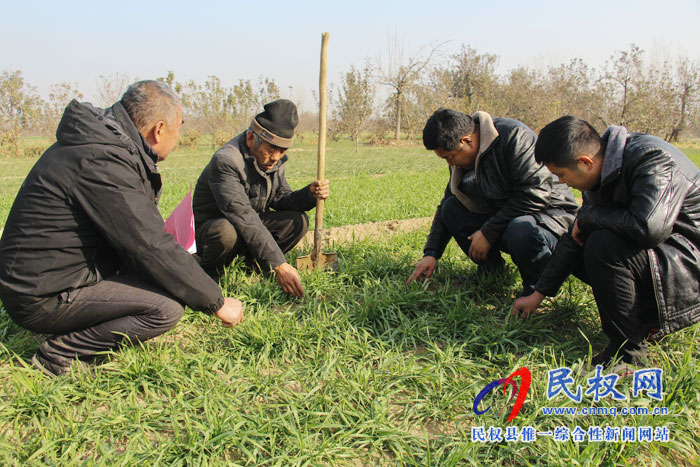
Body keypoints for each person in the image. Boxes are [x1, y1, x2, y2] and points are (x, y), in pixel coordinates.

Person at [0, 80, 244, 377]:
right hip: (42, 296)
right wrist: (216, 301)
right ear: (159, 129)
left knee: (165, 280)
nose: (179, 136)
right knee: (165, 309)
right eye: (179, 127)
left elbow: (136, 236)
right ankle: (60, 354)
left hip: (51, 278)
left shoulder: (103, 144)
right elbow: (149, 244)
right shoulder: (101, 159)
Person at [513, 116, 700, 370]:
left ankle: (627, 353)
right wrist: (538, 294)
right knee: (586, 242)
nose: (561, 182)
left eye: (561, 175)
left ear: (585, 162)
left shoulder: (652, 158)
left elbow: (648, 229)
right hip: (661, 255)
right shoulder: (602, 172)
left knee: (602, 245)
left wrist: (589, 217)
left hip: (688, 259)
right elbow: (576, 236)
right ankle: (645, 323)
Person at [407, 108, 579, 296]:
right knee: (451, 208)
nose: (449, 163)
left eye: (449, 156)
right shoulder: (461, 162)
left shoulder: (513, 136)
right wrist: (431, 253)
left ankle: (538, 289)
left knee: (520, 228)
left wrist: (489, 231)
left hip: (549, 217)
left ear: (466, 140)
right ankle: (491, 271)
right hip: (506, 217)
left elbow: (537, 193)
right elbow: (449, 201)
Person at [193, 99, 329, 298]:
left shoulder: (275, 161)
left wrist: (309, 194)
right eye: (271, 149)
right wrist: (279, 264)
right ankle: (209, 275)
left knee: (297, 221)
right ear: (250, 139)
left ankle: (253, 267)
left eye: (282, 151)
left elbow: (282, 199)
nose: (276, 157)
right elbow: (243, 216)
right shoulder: (227, 161)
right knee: (226, 232)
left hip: (248, 226)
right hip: (214, 232)